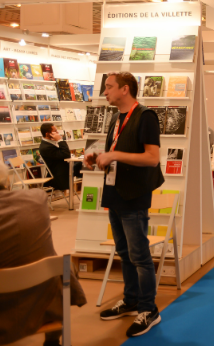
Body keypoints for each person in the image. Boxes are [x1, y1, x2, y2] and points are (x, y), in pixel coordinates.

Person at [0, 153, 87, 346]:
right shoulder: (37, 199)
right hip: (43, 303)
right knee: (62, 266)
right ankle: (53, 341)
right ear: (6, 178)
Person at [84, 72, 164, 338]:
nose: (104, 92)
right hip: (115, 194)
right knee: (124, 253)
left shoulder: (146, 116)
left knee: (140, 255)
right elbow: (118, 151)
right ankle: (131, 300)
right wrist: (98, 157)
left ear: (125, 89)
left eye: (109, 87)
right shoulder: (117, 118)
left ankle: (149, 309)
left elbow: (152, 159)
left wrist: (114, 154)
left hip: (134, 196)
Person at [39, 122, 84, 196]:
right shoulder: (46, 147)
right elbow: (66, 155)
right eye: (55, 131)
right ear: (47, 134)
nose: (57, 133)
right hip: (60, 173)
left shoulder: (50, 142)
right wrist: (60, 140)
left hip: (64, 167)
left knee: (85, 164)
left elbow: (63, 155)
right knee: (84, 166)